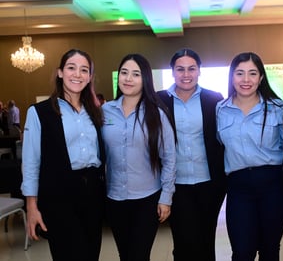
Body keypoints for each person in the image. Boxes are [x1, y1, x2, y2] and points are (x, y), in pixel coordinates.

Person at [21, 49, 106, 261]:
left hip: (93, 194)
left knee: (90, 254)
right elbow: (31, 163)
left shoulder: (95, 111)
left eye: (84, 70)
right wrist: (32, 207)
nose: (77, 74)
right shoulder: (39, 112)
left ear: (89, 77)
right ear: (60, 73)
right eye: (71, 68)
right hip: (59, 198)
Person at [216, 52, 283, 261]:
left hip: (274, 187)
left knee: (269, 249)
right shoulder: (220, 109)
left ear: (261, 77)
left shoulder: (277, 108)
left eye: (252, 73)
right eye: (239, 73)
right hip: (238, 189)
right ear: (232, 77)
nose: (246, 80)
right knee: (242, 252)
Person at [101, 53, 176, 261]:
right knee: (124, 255)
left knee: (139, 255)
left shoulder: (157, 114)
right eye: (124, 73)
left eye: (135, 74)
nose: (128, 78)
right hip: (114, 198)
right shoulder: (105, 111)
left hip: (147, 199)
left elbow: (169, 158)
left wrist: (166, 198)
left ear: (145, 79)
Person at [157, 48, 227, 261]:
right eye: (180, 69)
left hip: (209, 183)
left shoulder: (214, 99)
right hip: (176, 185)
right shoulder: (159, 100)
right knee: (183, 242)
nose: (186, 74)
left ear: (199, 71)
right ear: (172, 72)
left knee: (206, 240)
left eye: (191, 69)